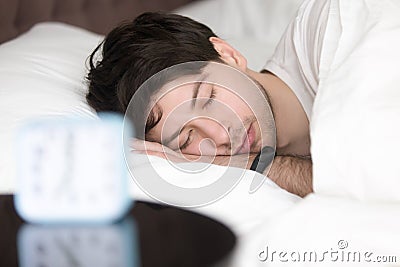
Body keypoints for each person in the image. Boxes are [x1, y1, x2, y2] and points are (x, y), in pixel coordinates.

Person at [86, 0, 329, 197]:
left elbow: (361, 182)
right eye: (186, 139)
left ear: (228, 55)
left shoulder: (331, 30)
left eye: (209, 98)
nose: (221, 136)